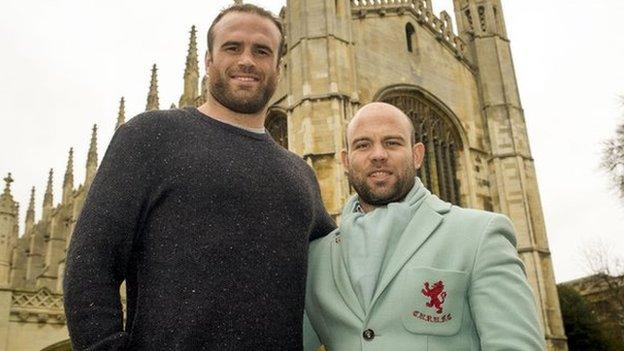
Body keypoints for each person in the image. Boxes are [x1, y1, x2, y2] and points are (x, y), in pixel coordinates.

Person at [64, 4, 334, 350]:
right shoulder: (149, 136)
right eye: (232, 47)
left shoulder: (301, 175)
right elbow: (89, 266)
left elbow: (342, 270)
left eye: (262, 51)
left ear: (280, 67)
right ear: (207, 61)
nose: (247, 60)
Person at [303, 102, 546, 350]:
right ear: (345, 160)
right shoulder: (317, 256)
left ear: (417, 155)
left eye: (392, 143)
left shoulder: (481, 235)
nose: (378, 154)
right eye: (363, 145)